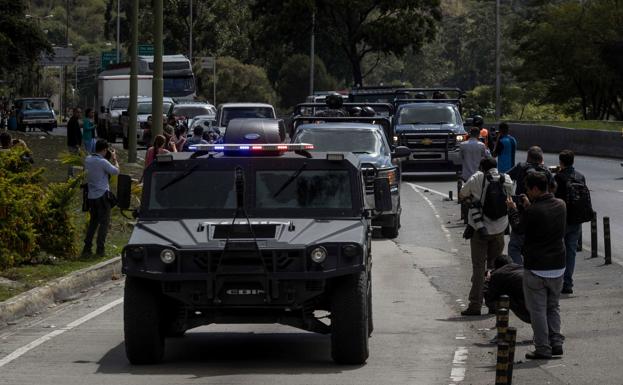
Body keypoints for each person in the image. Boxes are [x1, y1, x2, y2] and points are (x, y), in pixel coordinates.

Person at [507, 171, 566, 359]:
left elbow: (518, 228)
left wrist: (513, 209)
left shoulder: (532, 211)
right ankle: (556, 342)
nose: (526, 192)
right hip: (558, 265)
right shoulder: (561, 205)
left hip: (537, 267)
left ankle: (542, 348)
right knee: (553, 306)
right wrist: (528, 206)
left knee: (538, 310)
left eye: (527, 189)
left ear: (534, 188)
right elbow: (544, 218)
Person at [459, 157, 514, 316]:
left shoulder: (477, 177)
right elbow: (510, 198)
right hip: (500, 229)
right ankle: (494, 304)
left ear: (482, 167)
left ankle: (475, 305)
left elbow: (463, 193)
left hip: (479, 229)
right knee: (495, 268)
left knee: (478, 268)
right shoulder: (506, 179)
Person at [507, 146, 556, 264]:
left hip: (521, 214)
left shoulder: (521, 167)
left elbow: (506, 178)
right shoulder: (546, 170)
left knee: (514, 247)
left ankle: (519, 273)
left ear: (528, 157)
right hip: (542, 214)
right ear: (541, 158)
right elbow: (554, 187)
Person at [554, 150, 591, 294]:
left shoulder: (558, 177)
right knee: (571, 252)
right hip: (577, 219)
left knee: (559, 251)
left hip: (562, 219)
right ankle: (568, 283)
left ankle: (558, 281)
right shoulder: (580, 176)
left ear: (561, 162)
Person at [83, 139, 119, 257]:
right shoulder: (103, 162)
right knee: (104, 224)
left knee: (93, 223)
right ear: (104, 150)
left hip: (91, 197)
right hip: (102, 196)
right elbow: (116, 171)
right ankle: (100, 249)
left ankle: (87, 247)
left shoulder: (87, 160)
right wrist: (114, 159)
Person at [484, 255, 530, 324]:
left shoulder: (498, 274)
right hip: (539, 288)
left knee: (503, 297)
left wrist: (488, 280)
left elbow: (489, 300)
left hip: (525, 301)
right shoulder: (521, 267)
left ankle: (502, 326)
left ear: (496, 266)